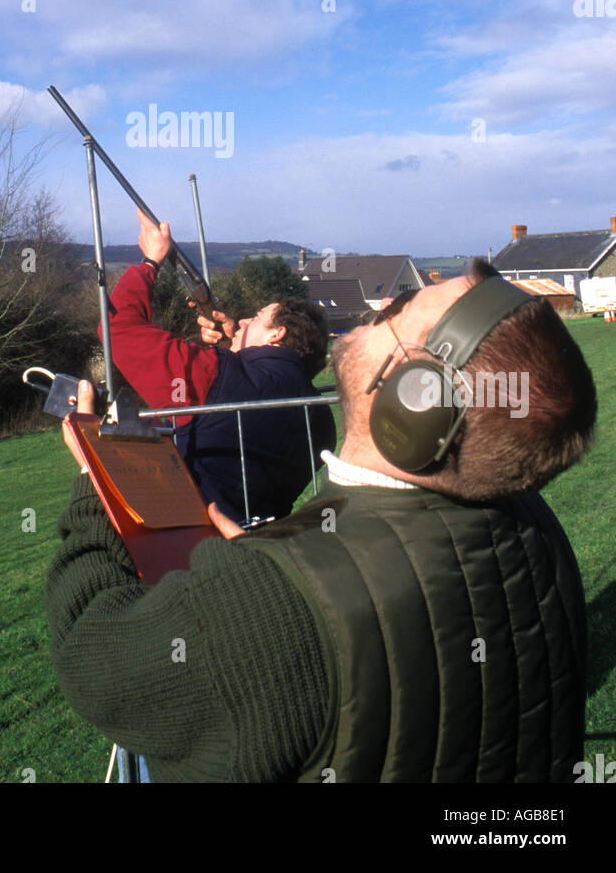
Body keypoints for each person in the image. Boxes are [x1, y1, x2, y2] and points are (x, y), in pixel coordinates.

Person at [45, 260, 596, 783]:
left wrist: (102, 472)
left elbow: (94, 663)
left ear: (416, 402)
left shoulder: (279, 608)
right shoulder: (534, 529)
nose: (377, 309)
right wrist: (277, 556)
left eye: (398, 309)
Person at [100, 210, 335, 522]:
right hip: (267, 544)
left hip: (193, 540)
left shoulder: (213, 374)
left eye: (258, 317)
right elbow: (254, 416)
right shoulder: (322, 422)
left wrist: (151, 261)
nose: (242, 321)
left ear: (277, 335)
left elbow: (116, 327)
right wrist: (230, 350)